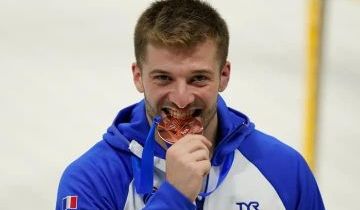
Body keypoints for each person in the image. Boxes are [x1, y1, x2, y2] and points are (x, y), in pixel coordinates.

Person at [56, 0, 325, 209]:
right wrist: (174, 196)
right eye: (163, 78)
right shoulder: (91, 179)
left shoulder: (284, 170)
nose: (181, 98)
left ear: (224, 75)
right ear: (138, 76)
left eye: (198, 78)